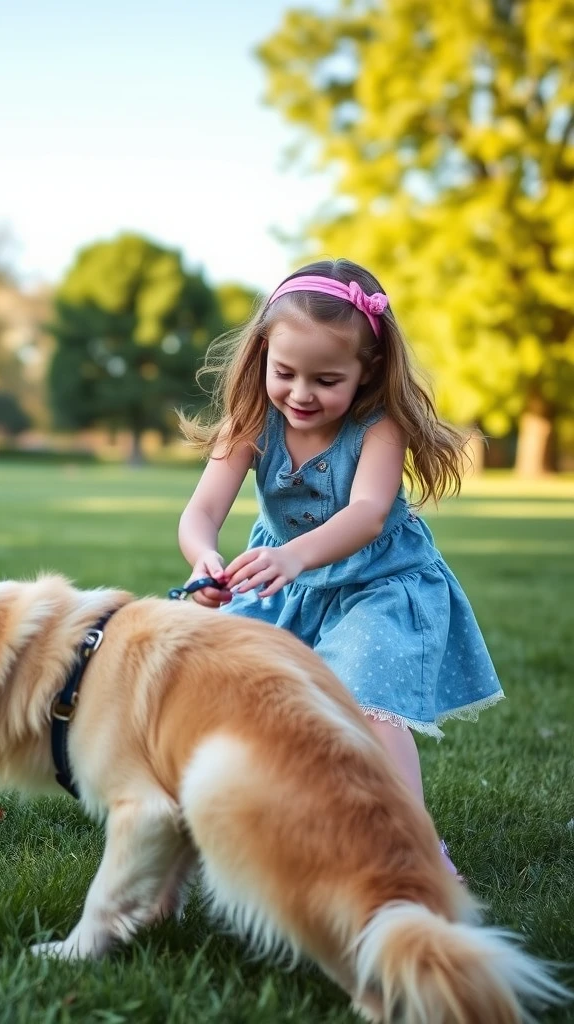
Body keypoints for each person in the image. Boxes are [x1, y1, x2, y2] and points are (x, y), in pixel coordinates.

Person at [178, 258, 503, 875]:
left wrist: (292, 555)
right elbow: (200, 513)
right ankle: (245, 823)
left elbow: (368, 514)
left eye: (326, 379)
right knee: (226, 684)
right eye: (286, 373)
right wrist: (205, 560)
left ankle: (412, 849)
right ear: (263, 356)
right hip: (282, 582)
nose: (301, 394)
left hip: (377, 585)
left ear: (366, 372)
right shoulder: (251, 421)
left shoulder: (380, 426)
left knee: (366, 702)